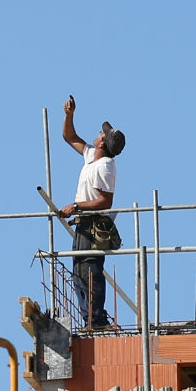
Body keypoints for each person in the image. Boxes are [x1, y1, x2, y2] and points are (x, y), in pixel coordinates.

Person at [55, 96, 125, 331]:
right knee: (79, 270)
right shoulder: (91, 156)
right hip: (84, 222)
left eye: (101, 134)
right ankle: (90, 320)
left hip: (94, 223)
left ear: (103, 143)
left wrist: (76, 207)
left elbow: (105, 201)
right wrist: (69, 114)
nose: (97, 133)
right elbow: (70, 137)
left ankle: (96, 320)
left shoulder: (105, 166)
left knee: (90, 267)